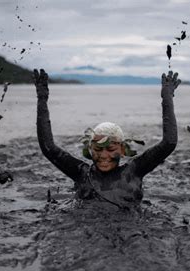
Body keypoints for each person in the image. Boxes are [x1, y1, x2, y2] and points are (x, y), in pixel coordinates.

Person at [34, 69, 180, 210]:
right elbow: (48, 147)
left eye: (111, 149)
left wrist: (167, 98)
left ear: (123, 149)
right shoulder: (81, 174)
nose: (104, 156)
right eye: (97, 149)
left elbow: (169, 143)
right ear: (90, 149)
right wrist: (42, 99)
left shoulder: (133, 171)